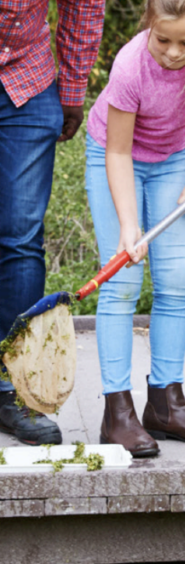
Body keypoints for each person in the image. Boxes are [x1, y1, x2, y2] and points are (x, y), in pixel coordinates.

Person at [84, 0, 185, 457]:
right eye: (163, 39)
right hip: (116, 159)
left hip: (174, 161)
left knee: (176, 282)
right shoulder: (131, 65)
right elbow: (117, 152)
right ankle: (117, 414)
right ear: (149, 26)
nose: (173, 52)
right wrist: (129, 226)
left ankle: (166, 406)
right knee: (122, 283)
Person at [0, 0, 106, 446]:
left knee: (21, 238)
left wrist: (72, 89)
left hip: (26, 80)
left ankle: (15, 390)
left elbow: (83, 4)